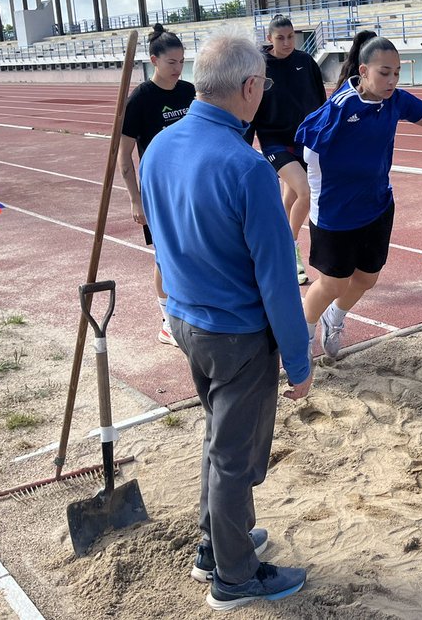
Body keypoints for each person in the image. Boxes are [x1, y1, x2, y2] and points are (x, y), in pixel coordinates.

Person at [139, 31, 312, 612]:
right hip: (236, 335)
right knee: (235, 458)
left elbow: (159, 235)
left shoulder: (160, 148)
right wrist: (299, 360)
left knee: (219, 439)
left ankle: (216, 544)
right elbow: (278, 281)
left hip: (187, 321)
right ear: (250, 86)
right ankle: (234, 576)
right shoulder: (247, 167)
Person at [297, 35, 422, 358]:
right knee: (332, 284)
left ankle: (336, 317)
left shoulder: (396, 101)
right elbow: (308, 146)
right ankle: (302, 337)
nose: (392, 80)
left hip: (377, 205)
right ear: (364, 71)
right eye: (385, 72)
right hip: (336, 212)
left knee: (367, 278)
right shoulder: (343, 106)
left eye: (397, 72)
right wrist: (321, 192)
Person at [118, 24, 197, 347]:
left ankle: (187, 309)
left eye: (181, 62)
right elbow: (123, 158)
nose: (178, 69)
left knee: (191, 250)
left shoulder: (189, 92)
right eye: (171, 63)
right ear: (154, 60)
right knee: (165, 256)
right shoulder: (140, 100)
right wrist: (136, 201)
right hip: (158, 191)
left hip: (190, 185)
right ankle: (167, 321)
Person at [249, 15, 326, 285]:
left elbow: (320, 101)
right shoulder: (259, 66)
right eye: (280, 37)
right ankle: (289, 248)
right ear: (269, 39)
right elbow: (251, 104)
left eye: (291, 36)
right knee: (306, 191)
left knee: (291, 196)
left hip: (306, 140)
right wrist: (244, 145)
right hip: (274, 141)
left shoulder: (305, 62)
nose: (286, 42)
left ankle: (275, 245)